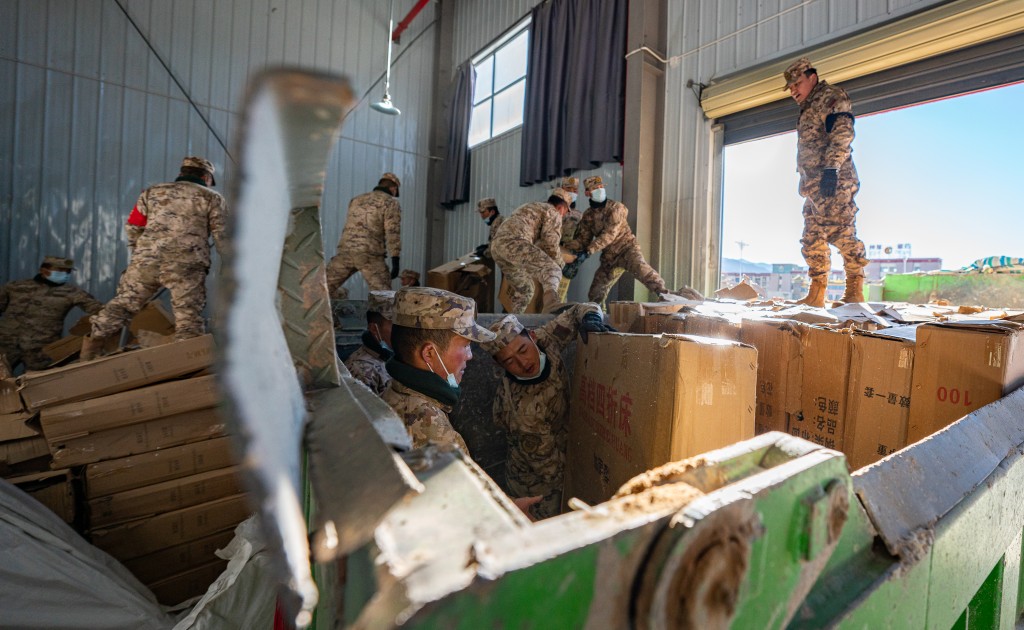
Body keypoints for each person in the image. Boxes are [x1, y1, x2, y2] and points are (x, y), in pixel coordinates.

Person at [83, 156, 226, 360]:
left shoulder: (151, 192)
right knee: (187, 316)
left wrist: (140, 252)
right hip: (185, 265)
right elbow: (223, 236)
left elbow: (133, 225)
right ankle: (186, 364)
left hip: (146, 261)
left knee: (123, 304)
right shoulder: (212, 198)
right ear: (206, 176)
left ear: (183, 172)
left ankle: (90, 351)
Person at [480, 304, 614, 519]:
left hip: (559, 437)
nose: (523, 363)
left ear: (533, 336)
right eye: (509, 361)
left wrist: (591, 318)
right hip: (536, 485)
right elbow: (554, 473)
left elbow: (578, 310)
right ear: (499, 365)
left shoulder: (546, 339)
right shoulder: (524, 413)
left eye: (523, 350)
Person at [784, 58, 868, 307]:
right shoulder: (808, 108)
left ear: (813, 77)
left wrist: (832, 168)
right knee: (812, 237)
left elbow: (842, 133)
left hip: (835, 181)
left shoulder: (831, 97)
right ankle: (817, 292)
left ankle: (854, 288)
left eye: (797, 83)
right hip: (813, 186)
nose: (794, 91)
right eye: (790, 88)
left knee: (841, 231)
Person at [381, 287, 495, 453]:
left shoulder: (393, 392)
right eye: (465, 345)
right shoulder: (435, 432)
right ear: (429, 353)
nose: (469, 356)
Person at [563, 176, 668, 307]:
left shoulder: (616, 208)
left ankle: (667, 297)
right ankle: (598, 318)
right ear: (587, 193)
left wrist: (588, 251)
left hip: (627, 249)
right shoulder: (588, 215)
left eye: (601, 187)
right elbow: (583, 240)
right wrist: (568, 249)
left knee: (643, 271)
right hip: (609, 258)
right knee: (595, 293)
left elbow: (609, 234)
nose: (600, 190)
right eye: (595, 188)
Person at [0, 256, 103, 375]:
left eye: (68, 271)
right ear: (43, 270)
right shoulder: (15, 286)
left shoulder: (72, 292)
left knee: (39, 385)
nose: (64, 274)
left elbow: (98, 310)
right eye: (59, 270)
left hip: (41, 350)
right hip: (6, 344)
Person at [489, 189, 572, 314]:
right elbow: (550, 244)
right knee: (553, 269)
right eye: (565, 212)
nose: (564, 215)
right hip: (514, 242)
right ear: (561, 207)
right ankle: (552, 305)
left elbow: (538, 245)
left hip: (497, 247)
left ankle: (513, 321)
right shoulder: (553, 212)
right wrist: (560, 264)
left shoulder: (532, 206)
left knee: (526, 290)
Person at [326, 172, 402, 299]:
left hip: (345, 252)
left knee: (321, 290)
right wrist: (395, 259)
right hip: (370, 255)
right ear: (393, 188)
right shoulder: (390, 202)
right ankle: (380, 318)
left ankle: (337, 303)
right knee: (384, 297)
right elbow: (392, 232)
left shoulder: (356, 199)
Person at [343, 290, 395, 396]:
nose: (402, 331)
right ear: (374, 329)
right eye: (394, 325)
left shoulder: (395, 356)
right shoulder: (361, 371)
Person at [557, 177, 583, 301]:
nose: (572, 192)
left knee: (561, 294)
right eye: (568, 189)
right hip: (550, 254)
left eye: (575, 190)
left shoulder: (579, 215)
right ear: (562, 189)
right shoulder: (552, 209)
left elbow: (582, 239)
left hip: (567, 257)